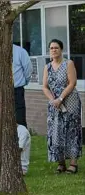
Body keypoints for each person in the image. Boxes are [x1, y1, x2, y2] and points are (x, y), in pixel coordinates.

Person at [42, 39, 82, 174]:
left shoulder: (68, 63)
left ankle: (73, 163)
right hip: (54, 104)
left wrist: (61, 98)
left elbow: (72, 83)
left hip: (70, 101)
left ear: (61, 50)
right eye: (51, 48)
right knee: (56, 131)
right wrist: (53, 100)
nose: (54, 50)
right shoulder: (47, 67)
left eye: (56, 48)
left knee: (71, 130)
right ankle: (60, 162)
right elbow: (45, 87)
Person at [12, 44, 32, 128]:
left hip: (17, 91)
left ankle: (23, 140)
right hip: (0, 91)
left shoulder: (20, 51)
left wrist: (24, 82)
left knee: (20, 119)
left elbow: (28, 70)